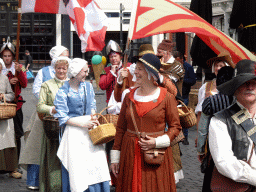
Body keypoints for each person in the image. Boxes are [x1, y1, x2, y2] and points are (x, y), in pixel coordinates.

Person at [110, 53, 182, 192]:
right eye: (136, 68)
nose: (135, 72)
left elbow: (175, 127)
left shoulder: (166, 97)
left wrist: (157, 141)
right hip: (129, 152)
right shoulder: (129, 96)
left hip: (155, 153)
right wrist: (115, 157)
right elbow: (120, 128)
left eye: (140, 69)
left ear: (151, 73)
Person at [54, 58, 110, 192]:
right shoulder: (63, 91)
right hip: (73, 131)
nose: (87, 74)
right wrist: (82, 122)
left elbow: (91, 105)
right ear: (76, 72)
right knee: (77, 165)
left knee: (96, 162)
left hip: (89, 130)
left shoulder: (88, 86)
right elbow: (63, 117)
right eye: (84, 71)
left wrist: (92, 118)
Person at [20, 46, 69, 190]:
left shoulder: (69, 73)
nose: (67, 57)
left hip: (63, 118)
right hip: (43, 116)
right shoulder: (44, 72)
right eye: (64, 55)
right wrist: (50, 102)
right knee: (37, 148)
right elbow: (36, 90)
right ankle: (35, 181)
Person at [208, 60, 256, 189]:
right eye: (245, 83)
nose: (250, 87)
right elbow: (224, 161)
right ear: (235, 88)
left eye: (254, 83)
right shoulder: (219, 120)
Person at [196, 66, 234, 192]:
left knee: (212, 176)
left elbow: (203, 129)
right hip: (236, 145)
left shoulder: (211, 101)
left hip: (214, 145)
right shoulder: (238, 100)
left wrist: (201, 150)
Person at [37, 57, 70, 191]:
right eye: (58, 68)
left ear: (68, 70)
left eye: (64, 68)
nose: (61, 71)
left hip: (69, 127)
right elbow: (40, 106)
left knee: (68, 160)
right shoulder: (47, 85)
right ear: (54, 69)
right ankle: (53, 188)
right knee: (54, 160)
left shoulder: (72, 84)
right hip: (53, 129)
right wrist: (52, 109)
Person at [0, 39, 28, 179]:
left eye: (9, 56)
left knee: (16, 135)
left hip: (15, 106)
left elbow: (25, 83)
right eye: (4, 56)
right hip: (1, 107)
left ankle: (14, 166)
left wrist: (19, 73)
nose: (7, 58)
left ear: (13, 56)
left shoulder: (20, 67)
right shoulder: (0, 68)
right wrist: (8, 82)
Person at [195, 52, 234, 146]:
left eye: (221, 65)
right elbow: (200, 113)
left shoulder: (235, 86)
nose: (217, 68)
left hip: (232, 130)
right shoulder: (205, 87)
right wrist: (199, 136)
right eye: (216, 65)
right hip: (211, 130)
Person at [173, 51, 196, 145]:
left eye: (177, 61)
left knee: (184, 117)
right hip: (174, 96)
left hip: (184, 96)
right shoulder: (173, 67)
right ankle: (176, 136)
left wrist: (182, 81)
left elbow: (193, 80)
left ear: (181, 59)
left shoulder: (188, 67)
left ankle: (185, 137)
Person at [0, 58, 17, 175]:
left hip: (3, 112)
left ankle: (10, 168)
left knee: (7, 139)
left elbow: (11, 95)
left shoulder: (4, 78)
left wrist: (3, 96)